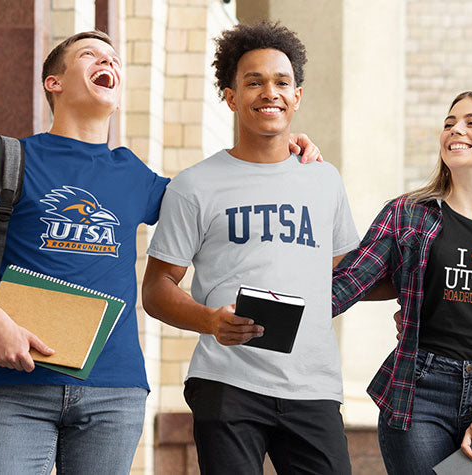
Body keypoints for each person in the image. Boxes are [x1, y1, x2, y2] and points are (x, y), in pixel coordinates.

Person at [0, 30, 321, 474]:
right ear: (53, 83)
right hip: (19, 385)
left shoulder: (132, 172)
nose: (108, 63)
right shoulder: (12, 158)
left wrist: (279, 146)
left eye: (115, 60)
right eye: (91, 55)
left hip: (115, 392)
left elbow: (215, 200)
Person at [142, 21, 358, 475]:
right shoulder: (194, 185)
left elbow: (347, 273)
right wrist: (208, 320)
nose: (269, 92)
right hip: (226, 381)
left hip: (313, 386)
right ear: (231, 96)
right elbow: (157, 288)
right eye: (253, 81)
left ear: (297, 96)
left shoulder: (325, 179)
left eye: (282, 82)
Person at [332, 90, 472, 474]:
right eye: (449, 123)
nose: (455, 130)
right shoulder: (408, 213)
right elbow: (348, 282)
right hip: (418, 394)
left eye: (471, 122)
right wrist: (269, 300)